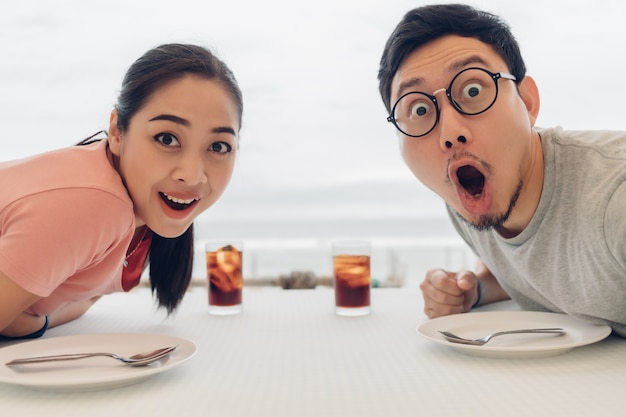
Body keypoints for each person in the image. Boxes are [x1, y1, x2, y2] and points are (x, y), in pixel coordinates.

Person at [378, 4, 626, 336]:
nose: (450, 133)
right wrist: (475, 289)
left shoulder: (615, 199)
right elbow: (536, 265)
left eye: (473, 90)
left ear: (527, 102)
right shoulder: (467, 200)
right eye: (419, 108)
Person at [0, 43, 243, 339]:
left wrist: (34, 321)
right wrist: (29, 324)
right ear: (117, 132)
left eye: (218, 146)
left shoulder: (143, 213)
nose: (192, 176)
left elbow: (85, 299)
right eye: (166, 138)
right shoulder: (96, 205)